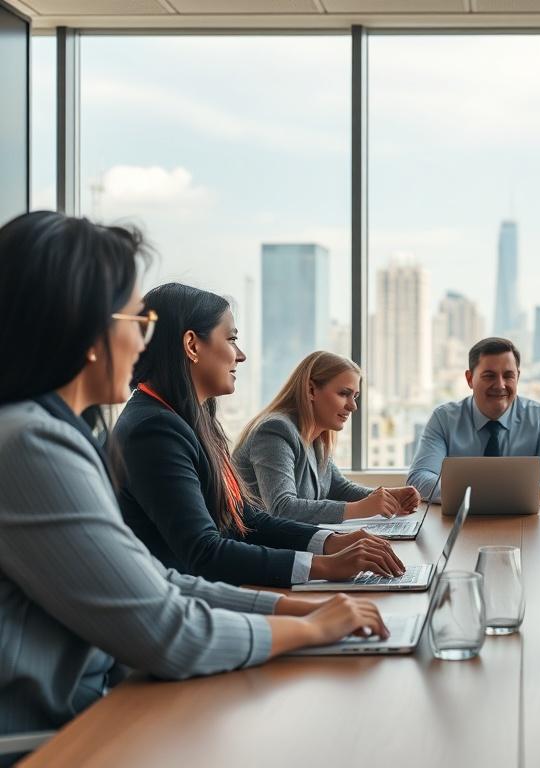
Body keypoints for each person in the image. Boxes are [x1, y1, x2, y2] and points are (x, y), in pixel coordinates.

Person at [0, 212, 388, 741]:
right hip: (60, 734)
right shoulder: (33, 445)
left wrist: (304, 606)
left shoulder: (58, 432)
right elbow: (168, 628)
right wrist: (308, 626)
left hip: (97, 705)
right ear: (85, 324)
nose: (141, 344)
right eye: (136, 323)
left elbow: (160, 582)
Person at [113, 283, 405, 588]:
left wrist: (331, 542)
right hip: (182, 607)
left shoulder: (191, 420)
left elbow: (243, 518)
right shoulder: (154, 431)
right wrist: (325, 567)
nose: (241, 356)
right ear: (192, 345)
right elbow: (204, 551)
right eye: (231, 339)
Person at [234, 351, 420, 524]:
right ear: (311, 391)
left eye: (354, 396)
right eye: (343, 394)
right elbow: (282, 508)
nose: (353, 406)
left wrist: (388, 497)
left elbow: (339, 489)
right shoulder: (275, 431)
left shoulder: (316, 437)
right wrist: (361, 508)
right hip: (257, 548)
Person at [407, 337, 540, 504]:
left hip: (524, 524)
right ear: (469, 379)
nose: (500, 385)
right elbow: (419, 478)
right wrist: (477, 495)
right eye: (489, 376)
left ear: (518, 377)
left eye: (508, 376)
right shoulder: (444, 419)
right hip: (461, 522)